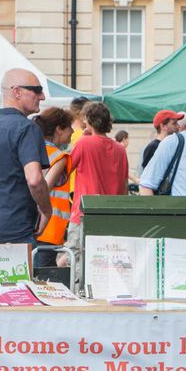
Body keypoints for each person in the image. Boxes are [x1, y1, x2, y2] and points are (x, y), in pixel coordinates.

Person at [0, 69, 51, 245]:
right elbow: (35, 179)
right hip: (15, 234)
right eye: (37, 90)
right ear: (17, 92)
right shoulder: (27, 128)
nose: (42, 96)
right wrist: (46, 210)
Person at [67, 101, 129, 290]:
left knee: (77, 260)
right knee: (104, 265)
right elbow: (124, 186)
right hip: (111, 216)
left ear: (87, 120)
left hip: (83, 213)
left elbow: (65, 170)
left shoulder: (84, 143)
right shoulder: (120, 149)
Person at [34, 106, 75, 250]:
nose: (73, 131)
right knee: (45, 271)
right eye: (70, 126)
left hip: (28, 222)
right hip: (49, 227)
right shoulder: (59, 157)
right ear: (59, 129)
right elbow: (43, 188)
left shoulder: (31, 150)